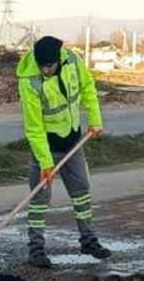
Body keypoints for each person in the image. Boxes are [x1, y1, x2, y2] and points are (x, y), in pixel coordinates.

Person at [17, 36, 111, 268]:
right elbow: (33, 126)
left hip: (73, 140)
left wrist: (95, 120)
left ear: (58, 59)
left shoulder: (72, 61)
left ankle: (88, 241)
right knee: (39, 199)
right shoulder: (29, 80)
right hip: (46, 145)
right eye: (42, 66)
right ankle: (36, 251)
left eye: (49, 65)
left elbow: (88, 88)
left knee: (82, 191)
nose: (45, 70)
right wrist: (45, 162)